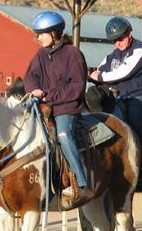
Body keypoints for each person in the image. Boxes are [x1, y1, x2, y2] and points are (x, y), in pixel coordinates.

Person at [24, 11, 92, 206]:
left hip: (66, 107)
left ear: (54, 33)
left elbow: (76, 86)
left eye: (41, 34)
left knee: (63, 136)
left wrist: (49, 96)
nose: (37, 38)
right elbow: (30, 77)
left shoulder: (73, 54)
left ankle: (80, 180)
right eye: (36, 34)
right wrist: (34, 90)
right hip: (43, 105)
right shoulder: (40, 55)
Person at [89, 16, 142, 187]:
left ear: (129, 33)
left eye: (120, 38)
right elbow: (98, 71)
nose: (117, 43)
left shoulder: (141, 50)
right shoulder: (112, 56)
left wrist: (101, 76)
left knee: (135, 123)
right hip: (121, 96)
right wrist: (97, 77)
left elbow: (123, 72)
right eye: (114, 40)